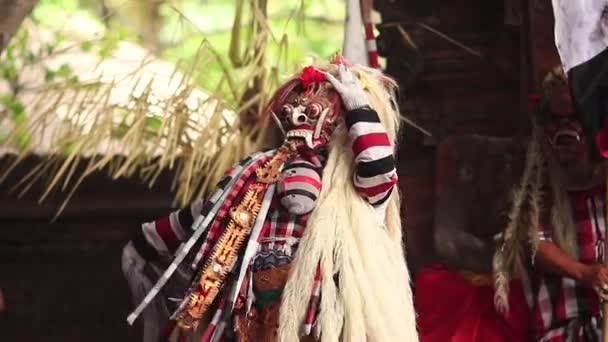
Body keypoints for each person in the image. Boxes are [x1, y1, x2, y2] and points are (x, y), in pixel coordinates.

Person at [121, 58, 418, 342]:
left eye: (313, 111)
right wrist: (146, 241)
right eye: (292, 111)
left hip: (321, 320)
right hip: (251, 316)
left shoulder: (355, 192)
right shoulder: (257, 174)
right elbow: (209, 217)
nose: (299, 117)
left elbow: (379, 168)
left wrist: (357, 105)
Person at [414, 135, 532, 342]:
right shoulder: (459, 195)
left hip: (503, 280)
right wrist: (496, 254)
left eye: (503, 167)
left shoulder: (519, 201)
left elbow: (527, 248)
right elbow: (446, 243)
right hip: (467, 275)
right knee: (431, 283)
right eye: (491, 166)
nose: (498, 175)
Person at [525, 74, 608, 341]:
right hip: (566, 322)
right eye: (556, 121)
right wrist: (584, 273)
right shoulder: (538, 184)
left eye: (574, 118)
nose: (565, 130)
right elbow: (535, 241)